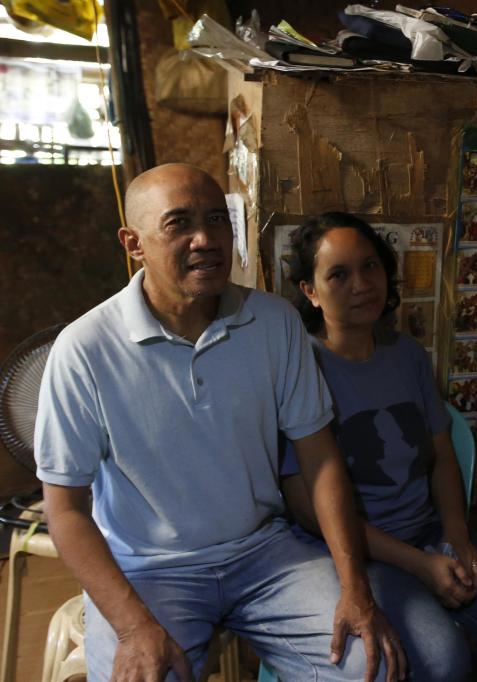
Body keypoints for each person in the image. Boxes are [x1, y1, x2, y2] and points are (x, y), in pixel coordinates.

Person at [33, 164, 402, 682]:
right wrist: (135, 627)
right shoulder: (85, 349)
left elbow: (319, 461)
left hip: (266, 553)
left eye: (216, 220)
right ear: (133, 243)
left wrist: (354, 588)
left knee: (376, 665)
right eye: (178, 223)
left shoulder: (274, 322)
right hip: (150, 568)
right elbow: (65, 510)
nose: (204, 239)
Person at [282, 212, 477, 681]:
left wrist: (456, 536)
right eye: (338, 274)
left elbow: (441, 457)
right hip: (354, 556)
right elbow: (306, 506)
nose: (362, 284)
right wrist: (420, 566)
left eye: (370, 266)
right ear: (310, 290)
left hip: (429, 534)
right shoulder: (300, 369)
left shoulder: (407, 355)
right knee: (441, 661)